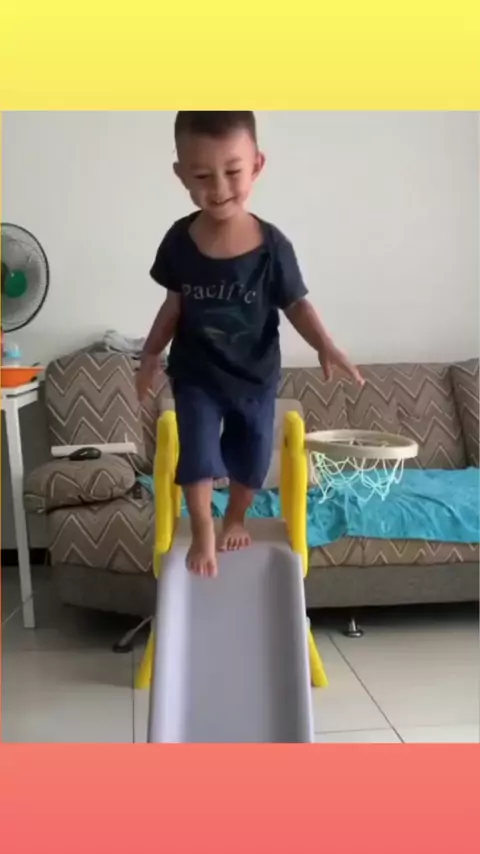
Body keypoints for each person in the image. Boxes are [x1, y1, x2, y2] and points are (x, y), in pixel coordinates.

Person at [136, 111, 363, 578]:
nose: (219, 187)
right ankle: (204, 527)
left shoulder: (272, 247)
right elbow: (172, 306)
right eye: (202, 176)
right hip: (196, 374)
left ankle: (235, 518)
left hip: (255, 378)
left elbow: (296, 304)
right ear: (181, 174)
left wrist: (325, 345)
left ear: (257, 165)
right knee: (198, 451)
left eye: (233, 171)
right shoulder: (179, 241)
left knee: (253, 456)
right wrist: (151, 355)